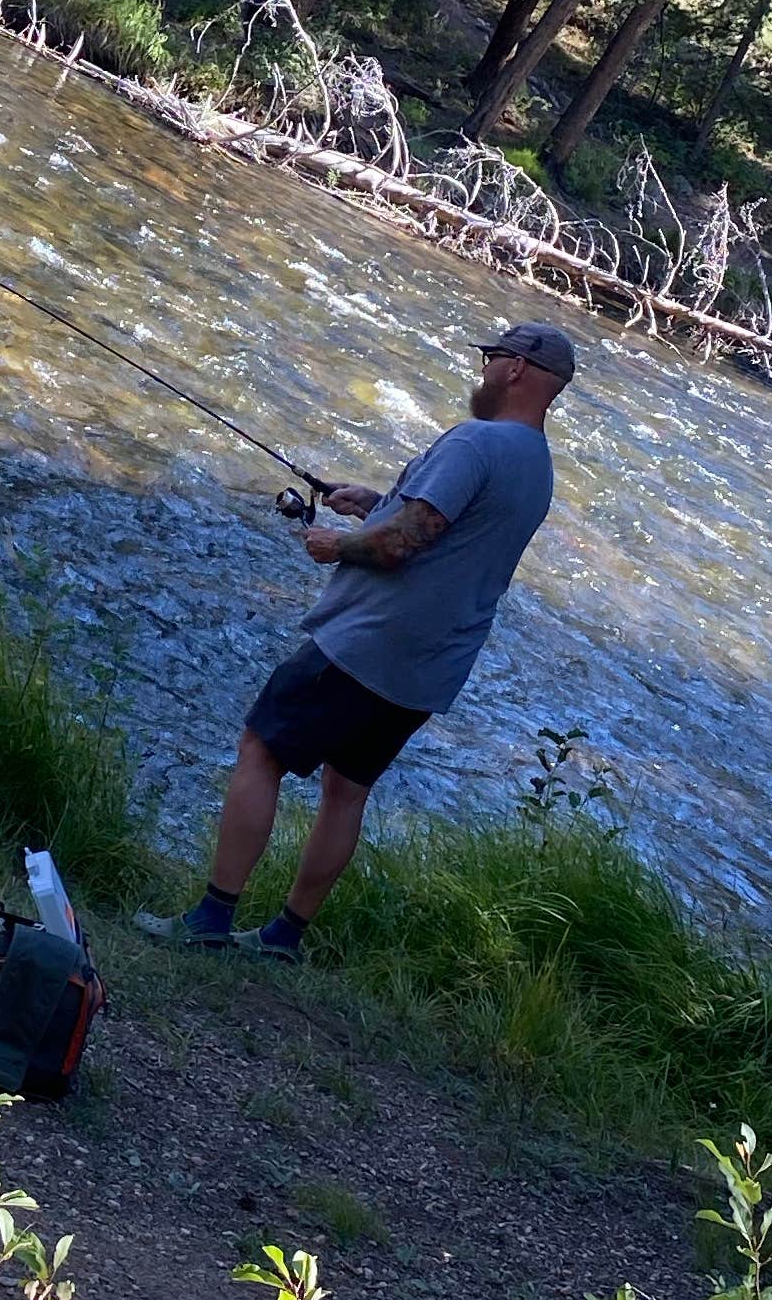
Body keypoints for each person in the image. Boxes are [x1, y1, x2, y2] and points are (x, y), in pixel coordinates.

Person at [183, 318, 576, 963]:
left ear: (515, 371)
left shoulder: (477, 442)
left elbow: (401, 545)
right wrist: (377, 501)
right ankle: (284, 936)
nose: (482, 371)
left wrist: (332, 544)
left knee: (261, 749)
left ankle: (210, 918)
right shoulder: (537, 466)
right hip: (429, 667)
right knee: (347, 788)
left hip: (366, 647)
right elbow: (442, 529)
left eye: (491, 358)